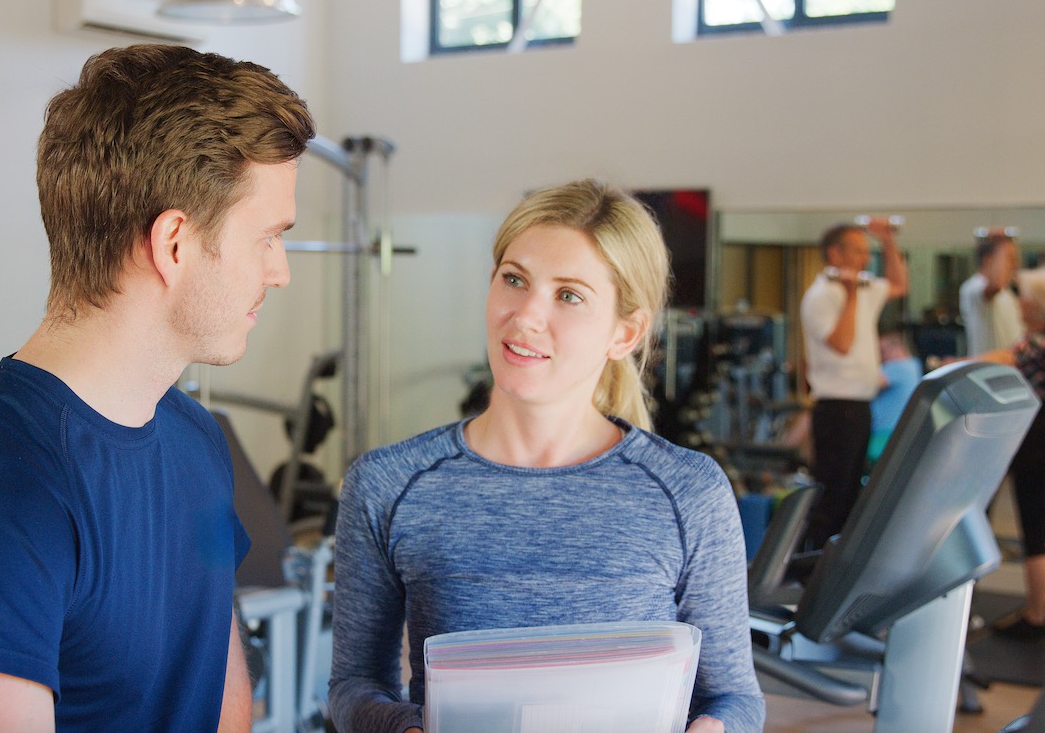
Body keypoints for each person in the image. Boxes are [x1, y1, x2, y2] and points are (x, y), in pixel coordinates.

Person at [0, 45, 314, 731]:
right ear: (173, 244)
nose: (278, 272)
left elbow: (219, 702)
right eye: (267, 238)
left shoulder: (195, 440)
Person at [328, 180, 765, 732]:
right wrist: (407, 729)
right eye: (514, 280)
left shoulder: (688, 490)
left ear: (625, 332)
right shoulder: (389, 483)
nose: (526, 316)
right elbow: (354, 686)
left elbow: (734, 698)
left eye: (569, 295)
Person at [798, 219, 908, 551]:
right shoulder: (820, 296)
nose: (865, 258)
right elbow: (842, 343)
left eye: (867, 251)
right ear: (835, 253)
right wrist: (848, 296)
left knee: (850, 498)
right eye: (859, 251)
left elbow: (899, 285)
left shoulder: (864, 288)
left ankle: (836, 572)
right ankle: (809, 574)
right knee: (832, 495)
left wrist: (887, 241)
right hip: (835, 408)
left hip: (860, 407)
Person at [976, 266, 1045, 639]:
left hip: (1039, 442)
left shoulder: (1039, 344)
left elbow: (1000, 360)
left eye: (1025, 298)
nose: (1020, 305)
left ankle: (1036, 614)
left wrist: (946, 367)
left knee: (1034, 531)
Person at [959, 229, 1024, 358]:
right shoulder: (973, 287)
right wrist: (1002, 243)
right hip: (988, 372)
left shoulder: (1007, 294)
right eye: (1009, 258)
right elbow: (996, 284)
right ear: (988, 259)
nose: (1015, 264)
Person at [866, 329, 922, 465]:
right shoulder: (913, 365)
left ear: (896, 349)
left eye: (881, 352)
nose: (880, 357)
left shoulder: (899, 366)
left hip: (884, 435)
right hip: (894, 432)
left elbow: (868, 382)